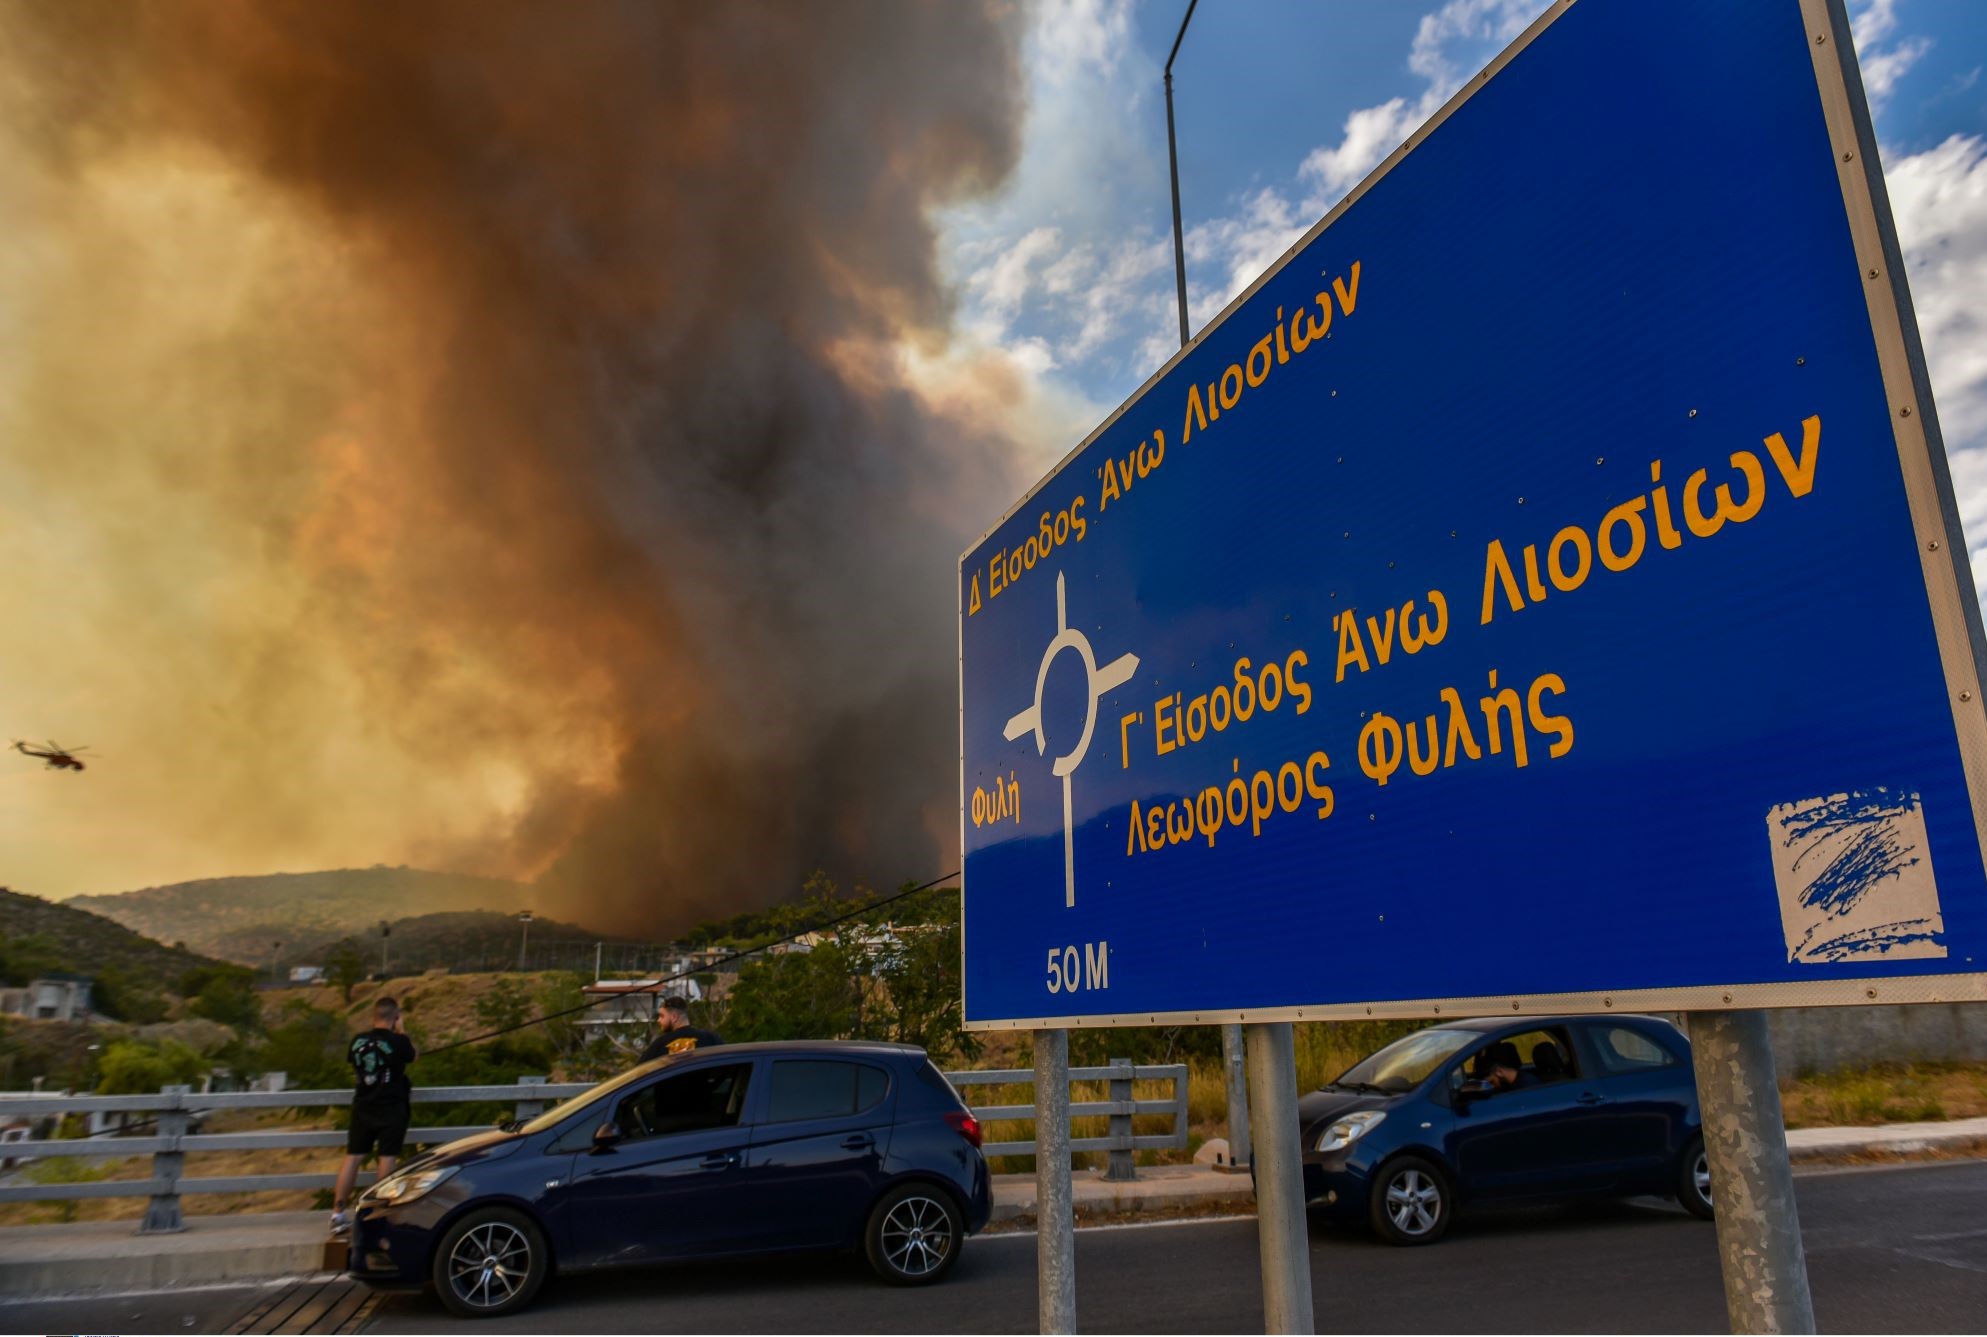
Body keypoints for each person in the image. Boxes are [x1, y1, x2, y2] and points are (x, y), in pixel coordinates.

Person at [330, 997, 417, 1237]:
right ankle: (381, 1213)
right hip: (392, 1108)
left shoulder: (358, 1041)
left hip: (363, 1107)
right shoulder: (399, 1041)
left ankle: (338, 1213)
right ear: (395, 1017)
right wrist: (402, 1031)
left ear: (374, 1016)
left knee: (353, 1158)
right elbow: (413, 1056)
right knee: (386, 1159)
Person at [637, 995, 723, 1063]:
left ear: (674, 1017)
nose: (658, 1020)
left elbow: (639, 1072)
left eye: (662, 1016)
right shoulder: (710, 1038)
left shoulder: (660, 1044)